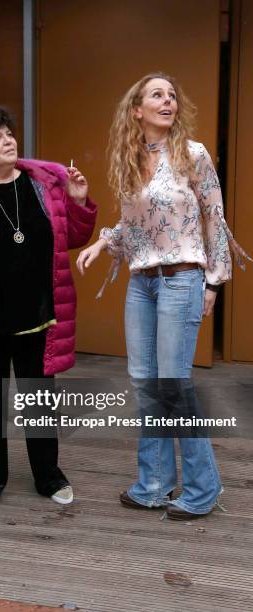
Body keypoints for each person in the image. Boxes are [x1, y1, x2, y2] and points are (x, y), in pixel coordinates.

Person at [76, 72, 250, 520]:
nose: (167, 100)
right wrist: (103, 241)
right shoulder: (132, 160)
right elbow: (135, 223)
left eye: (172, 94)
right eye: (157, 95)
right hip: (143, 283)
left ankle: (202, 488)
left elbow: (215, 218)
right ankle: (152, 484)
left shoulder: (192, 155)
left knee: (173, 385)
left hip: (182, 279)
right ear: (137, 110)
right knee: (146, 384)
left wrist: (214, 281)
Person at [0, 107, 97, 513]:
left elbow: (73, 238)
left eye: (10, 134)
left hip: (39, 315)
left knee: (39, 401)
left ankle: (49, 476)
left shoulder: (44, 186)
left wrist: (80, 202)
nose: (9, 140)